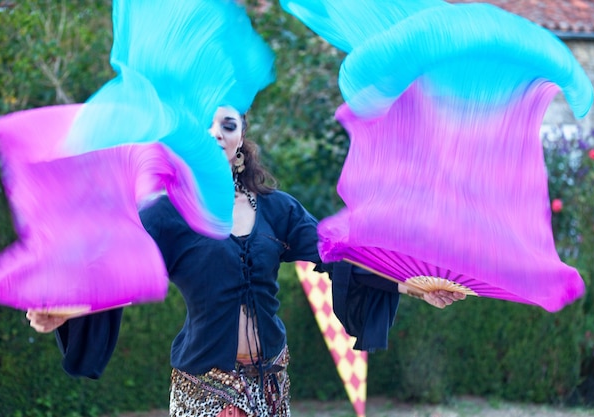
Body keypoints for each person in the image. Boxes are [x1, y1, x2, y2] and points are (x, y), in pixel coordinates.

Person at [27, 105, 465, 417]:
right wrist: (62, 312)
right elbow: (116, 268)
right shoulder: (168, 215)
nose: (216, 132)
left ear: (239, 140)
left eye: (227, 124)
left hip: (271, 378)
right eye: (206, 125)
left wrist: (411, 283)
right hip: (205, 384)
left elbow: (339, 253)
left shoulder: (279, 210)